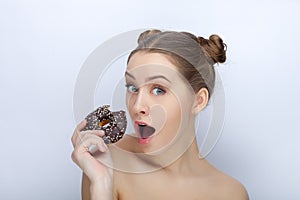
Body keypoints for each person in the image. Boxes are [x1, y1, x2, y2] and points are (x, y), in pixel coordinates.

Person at [71, 29, 249, 200]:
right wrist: (101, 184)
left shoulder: (231, 193)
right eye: (132, 88)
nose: (137, 106)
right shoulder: (108, 161)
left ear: (198, 100)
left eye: (158, 90)